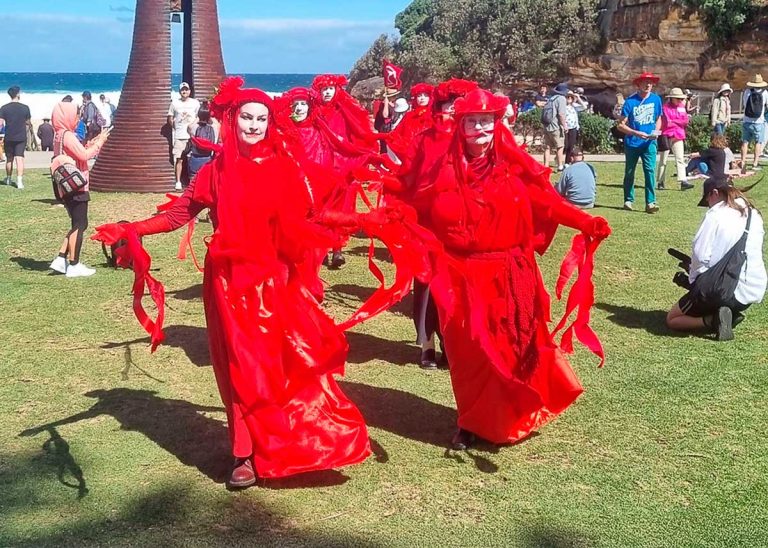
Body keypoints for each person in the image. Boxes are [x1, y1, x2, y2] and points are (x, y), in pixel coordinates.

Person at [92, 77, 430, 487]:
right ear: (233, 121)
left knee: (287, 364)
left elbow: (312, 217)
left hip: (277, 284)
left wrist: (363, 220)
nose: (253, 125)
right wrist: (133, 228)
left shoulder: (286, 168)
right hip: (228, 287)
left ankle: (293, 440)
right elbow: (179, 214)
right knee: (238, 371)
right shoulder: (215, 173)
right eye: (247, 118)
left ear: (271, 124)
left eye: (261, 119)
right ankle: (243, 454)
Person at [399, 88, 610, 449]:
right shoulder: (441, 171)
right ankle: (470, 420)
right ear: (460, 126)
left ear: (497, 124)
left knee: (511, 347)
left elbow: (549, 203)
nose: (481, 128)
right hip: (460, 275)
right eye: (472, 122)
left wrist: (585, 222)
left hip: (510, 274)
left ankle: (510, 415)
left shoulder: (513, 167)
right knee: (468, 354)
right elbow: (411, 206)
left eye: (487, 121)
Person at [395, 78, 479, 369]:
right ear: (440, 107)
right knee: (428, 286)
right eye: (449, 105)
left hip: (464, 228)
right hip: (429, 226)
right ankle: (427, 345)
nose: (453, 111)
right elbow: (409, 178)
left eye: (460, 105)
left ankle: (451, 343)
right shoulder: (424, 139)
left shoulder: (475, 141)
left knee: (460, 289)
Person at [666, 176, 766, 340]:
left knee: (673, 319)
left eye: (707, 200)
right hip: (750, 292)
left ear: (714, 193)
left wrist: (692, 276)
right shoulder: (753, 213)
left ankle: (712, 320)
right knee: (711, 294)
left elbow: (700, 255)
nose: (708, 205)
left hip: (722, 291)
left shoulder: (716, 214)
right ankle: (725, 312)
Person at [49, 101, 110, 277]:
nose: (77, 119)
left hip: (66, 186)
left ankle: (61, 259)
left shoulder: (59, 134)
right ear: (67, 116)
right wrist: (100, 144)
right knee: (80, 224)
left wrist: (93, 142)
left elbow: (76, 152)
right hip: (76, 185)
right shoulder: (68, 135)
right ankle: (74, 264)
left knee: (77, 223)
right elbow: (84, 156)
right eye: (75, 115)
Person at [617, 71, 663, 213]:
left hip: (649, 144)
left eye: (650, 82)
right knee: (630, 172)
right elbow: (620, 125)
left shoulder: (656, 100)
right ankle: (628, 200)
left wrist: (655, 133)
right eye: (645, 82)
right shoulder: (630, 102)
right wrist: (636, 133)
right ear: (638, 84)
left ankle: (650, 202)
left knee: (650, 171)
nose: (648, 85)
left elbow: (658, 119)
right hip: (632, 143)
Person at [657, 87, 693, 191]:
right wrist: (678, 121)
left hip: (678, 135)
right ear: (671, 98)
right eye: (677, 98)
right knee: (663, 160)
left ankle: (683, 181)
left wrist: (674, 121)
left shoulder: (681, 107)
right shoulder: (665, 108)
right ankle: (660, 181)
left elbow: (685, 121)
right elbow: (667, 122)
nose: (680, 100)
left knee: (680, 159)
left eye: (681, 99)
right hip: (666, 135)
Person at [167, 82, 201, 191]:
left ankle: (192, 182)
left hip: (191, 136)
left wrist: (193, 125)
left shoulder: (195, 103)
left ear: (190, 91)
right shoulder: (175, 104)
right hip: (179, 136)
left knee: (191, 159)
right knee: (179, 159)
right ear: (180, 91)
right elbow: (170, 117)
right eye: (182, 90)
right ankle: (178, 182)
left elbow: (199, 116)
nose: (184, 91)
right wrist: (175, 127)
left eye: (186, 89)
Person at [0, 86, 31, 189]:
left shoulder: (4, 108)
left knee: (9, 159)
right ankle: (19, 181)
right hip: (21, 136)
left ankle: (8, 179)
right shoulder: (25, 107)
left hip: (9, 136)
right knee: (19, 158)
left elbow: (0, 123)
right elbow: (28, 123)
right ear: (17, 94)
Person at [740, 74, 768, 174]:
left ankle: (743, 162)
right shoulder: (765, 93)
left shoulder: (747, 92)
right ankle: (755, 163)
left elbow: (744, 104)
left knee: (745, 142)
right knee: (758, 142)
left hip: (747, 120)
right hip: (758, 121)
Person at [542, 83, 568, 172]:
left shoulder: (551, 98)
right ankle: (560, 165)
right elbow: (561, 114)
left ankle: (545, 165)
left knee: (547, 147)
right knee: (560, 146)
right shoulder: (561, 99)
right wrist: (564, 126)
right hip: (555, 126)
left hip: (546, 125)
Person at [563, 90, 580, 165]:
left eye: (571, 97)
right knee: (565, 146)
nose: (569, 98)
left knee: (571, 146)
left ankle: (567, 162)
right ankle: (559, 158)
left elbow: (584, 107)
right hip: (565, 128)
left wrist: (578, 97)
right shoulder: (563, 106)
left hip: (573, 127)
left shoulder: (574, 106)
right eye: (568, 97)